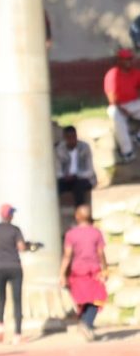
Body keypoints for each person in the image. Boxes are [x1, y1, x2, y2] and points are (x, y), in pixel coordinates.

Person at [0, 204, 30, 344]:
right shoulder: (15, 230)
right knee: (17, 301)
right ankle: (17, 334)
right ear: (10, 216)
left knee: (1, 299)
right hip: (14, 267)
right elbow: (21, 247)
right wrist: (27, 246)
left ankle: (0, 327)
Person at [60, 205, 108, 341]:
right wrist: (105, 269)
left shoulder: (71, 234)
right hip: (94, 271)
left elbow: (67, 255)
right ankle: (87, 323)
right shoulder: (96, 233)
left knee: (83, 299)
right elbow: (101, 253)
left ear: (77, 217)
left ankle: (87, 325)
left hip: (77, 271)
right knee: (98, 298)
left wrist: (62, 274)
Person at [103, 49, 140, 163]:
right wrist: (122, 109)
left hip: (133, 103)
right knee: (118, 121)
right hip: (117, 106)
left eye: (130, 59)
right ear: (119, 60)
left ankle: (138, 137)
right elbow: (111, 97)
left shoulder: (136, 73)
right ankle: (127, 152)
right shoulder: (112, 74)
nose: (129, 61)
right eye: (126, 59)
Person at [55, 125, 97, 207]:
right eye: (68, 137)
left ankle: (80, 209)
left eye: (73, 137)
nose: (71, 140)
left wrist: (77, 175)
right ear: (64, 138)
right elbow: (57, 170)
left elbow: (90, 171)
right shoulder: (60, 149)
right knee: (55, 187)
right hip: (66, 179)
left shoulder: (84, 147)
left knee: (78, 186)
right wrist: (64, 177)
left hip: (83, 178)